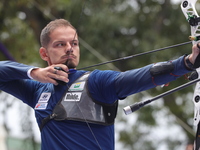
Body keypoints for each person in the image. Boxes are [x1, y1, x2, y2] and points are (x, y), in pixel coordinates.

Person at [0, 18, 199, 150]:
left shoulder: (95, 82)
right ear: (44, 53)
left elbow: (137, 77)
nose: (69, 48)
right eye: (60, 44)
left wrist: (187, 62)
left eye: (74, 43)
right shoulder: (36, 90)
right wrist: (34, 73)